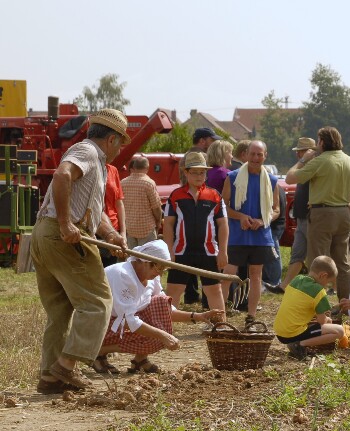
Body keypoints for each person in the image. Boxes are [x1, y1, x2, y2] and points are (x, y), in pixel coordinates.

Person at [31, 108, 130, 393]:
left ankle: (51, 378)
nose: (119, 150)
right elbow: (61, 175)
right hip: (64, 236)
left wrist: (111, 234)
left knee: (60, 310)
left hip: (46, 234)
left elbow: (92, 210)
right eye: (120, 144)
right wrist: (65, 224)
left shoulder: (95, 162)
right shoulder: (88, 152)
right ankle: (66, 365)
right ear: (111, 139)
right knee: (98, 302)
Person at [97, 240, 224, 374]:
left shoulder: (151, 278)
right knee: (156, 333)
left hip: (120, 324)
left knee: (161, 302)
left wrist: (197, 316)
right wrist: (163, 335)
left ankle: (140, 360)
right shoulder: (123, 275)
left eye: (164, 269)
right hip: (100, 327)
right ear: (145, 262)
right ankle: (100, 351)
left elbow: (165, 309)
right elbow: (128, 321)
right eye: (159, 268)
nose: (160, 274)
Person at [285, 127, 350, 300]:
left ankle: (317, 305)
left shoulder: (320, 161)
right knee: (343, 262)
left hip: (321, 214)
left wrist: (303, 160)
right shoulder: (349, 160)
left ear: (322, 142)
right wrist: (349, 210)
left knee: (317, 261)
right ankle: (346, 304)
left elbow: (290, 178)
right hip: (343, 213)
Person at [162, 152, 229, 321]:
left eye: (202, 172)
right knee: (173, 290)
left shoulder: (215, 195)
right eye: (194, 172)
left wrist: (223, 251)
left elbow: (223, 225)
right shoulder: (176, 196)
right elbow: (168, 224)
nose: (199, 176)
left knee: (214, 290)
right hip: (181, 251)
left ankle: (221, 326)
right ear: (186, 172)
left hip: (209, 251)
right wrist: (168, 250)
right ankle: (165, 326)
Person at [221, 141, 279, 325]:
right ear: (245, 154)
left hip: (260, 236)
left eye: (259, 154)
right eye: (252, 154)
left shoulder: (272, 180)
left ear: (265, 156)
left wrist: (263, 220)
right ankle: (219, 315)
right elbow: (223, 206)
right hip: (237, 235)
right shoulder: (232, 177)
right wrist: (241, 217)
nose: (255, 158)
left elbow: (276, 210)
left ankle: (251, 316)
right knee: (228, 275)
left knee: (256, 276)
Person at [265, 137, 315, 294]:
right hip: (302, 216)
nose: (298, 155)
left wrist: (303, 161)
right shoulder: (304, 168)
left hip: (311, 217)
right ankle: (284, 286)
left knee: (314, 254)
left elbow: (289, 177)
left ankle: (320, 286)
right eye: (298, 151)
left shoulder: (313, 167)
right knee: (298, 253)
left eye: (301, 151)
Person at [274, 255, 345, 359]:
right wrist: (328, 319)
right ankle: (299, 345)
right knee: (340, 331)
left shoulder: (296, 279)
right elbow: (322, 321)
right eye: (328, 282)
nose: (326, 286)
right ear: (323, 275)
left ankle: (297, 344)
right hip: (292, 334)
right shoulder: (319, 291)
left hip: (279, 332)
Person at [181, 127, 221, 304]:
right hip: (198, 201)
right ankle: (206, 297)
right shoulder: (202, 157)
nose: (213, 143)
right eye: (211, 140)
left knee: (187, 255)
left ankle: (191, 294)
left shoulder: (185, 156)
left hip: (188, 202)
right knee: (204, 254)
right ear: (203, 140)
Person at [121, 156, 162, 248]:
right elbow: (156, 207)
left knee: (132, 256)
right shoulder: (149, 183)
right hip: (147, 228)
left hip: (130, 227)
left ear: (134, 167)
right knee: (147, 255)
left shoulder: (123, 183)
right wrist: (158, 221)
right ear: (147, 168)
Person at [100, 163, 126, 267]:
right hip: (94, 229)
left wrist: (123, 232)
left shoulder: (113, 170)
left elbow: (119, 203)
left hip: (113, 228)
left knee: (110, 268)